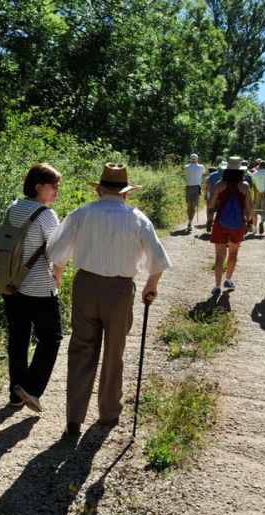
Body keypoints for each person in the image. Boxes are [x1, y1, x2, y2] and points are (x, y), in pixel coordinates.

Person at [47, 163, 172, 437]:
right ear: (125, 193)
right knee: (114, 351)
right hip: (120, 290)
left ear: (100, 190)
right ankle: (108, 413)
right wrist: (151, 286)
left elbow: (57, 251)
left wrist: (58, 276)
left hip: (86, 286)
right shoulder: (137, 218)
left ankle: (74, 418)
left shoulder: (81, 213)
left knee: (81, 349)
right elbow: (158, 258)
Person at [3, 164, 64, 413]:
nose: (57, 191)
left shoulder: (13, 206)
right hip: (39, 287)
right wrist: (57, 276)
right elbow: (59, 252)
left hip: (11, 284)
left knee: (18, 338)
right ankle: (30, 388)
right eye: (53, 186)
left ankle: (15, 394)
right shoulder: (46, 215)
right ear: (38, 186)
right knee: (52, 337)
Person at [206, 156, 253, 296]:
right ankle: (228, 280)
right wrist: (248, 220)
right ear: (241, 171)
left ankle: (216, 286)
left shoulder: (220, 184)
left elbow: (210, 205)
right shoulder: (245, 186)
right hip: (238, 225)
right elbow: (249, 208)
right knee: (233, 254)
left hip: (221, 223)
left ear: (226, 170)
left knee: (219, 256)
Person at [250, 159, 265, 235]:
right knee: (264, 211)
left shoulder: (255, 174)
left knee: (254, 211)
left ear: (259, 166)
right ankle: (261, 222)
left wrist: (257, 193)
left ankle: (255, 228)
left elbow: (253, 185)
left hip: (257, 194)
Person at [184, 153, 205, 232]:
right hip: (196, 187)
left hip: (188, 187)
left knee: (189, 206)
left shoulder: (186, 167)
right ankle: (190, 222)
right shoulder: (201, 167)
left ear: (190, 159)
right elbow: (203, 173)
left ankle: (189, 222)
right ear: (197, 159)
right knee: (193, 207)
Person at [203, 161, 224, 232]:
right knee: (221, 212)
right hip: (222, 198)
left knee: (210, 210)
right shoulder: (228, 176)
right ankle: (219, 226)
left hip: (213, 196)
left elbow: (208, 188)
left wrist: (209, 198)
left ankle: (209, 221)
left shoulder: (212, 175)